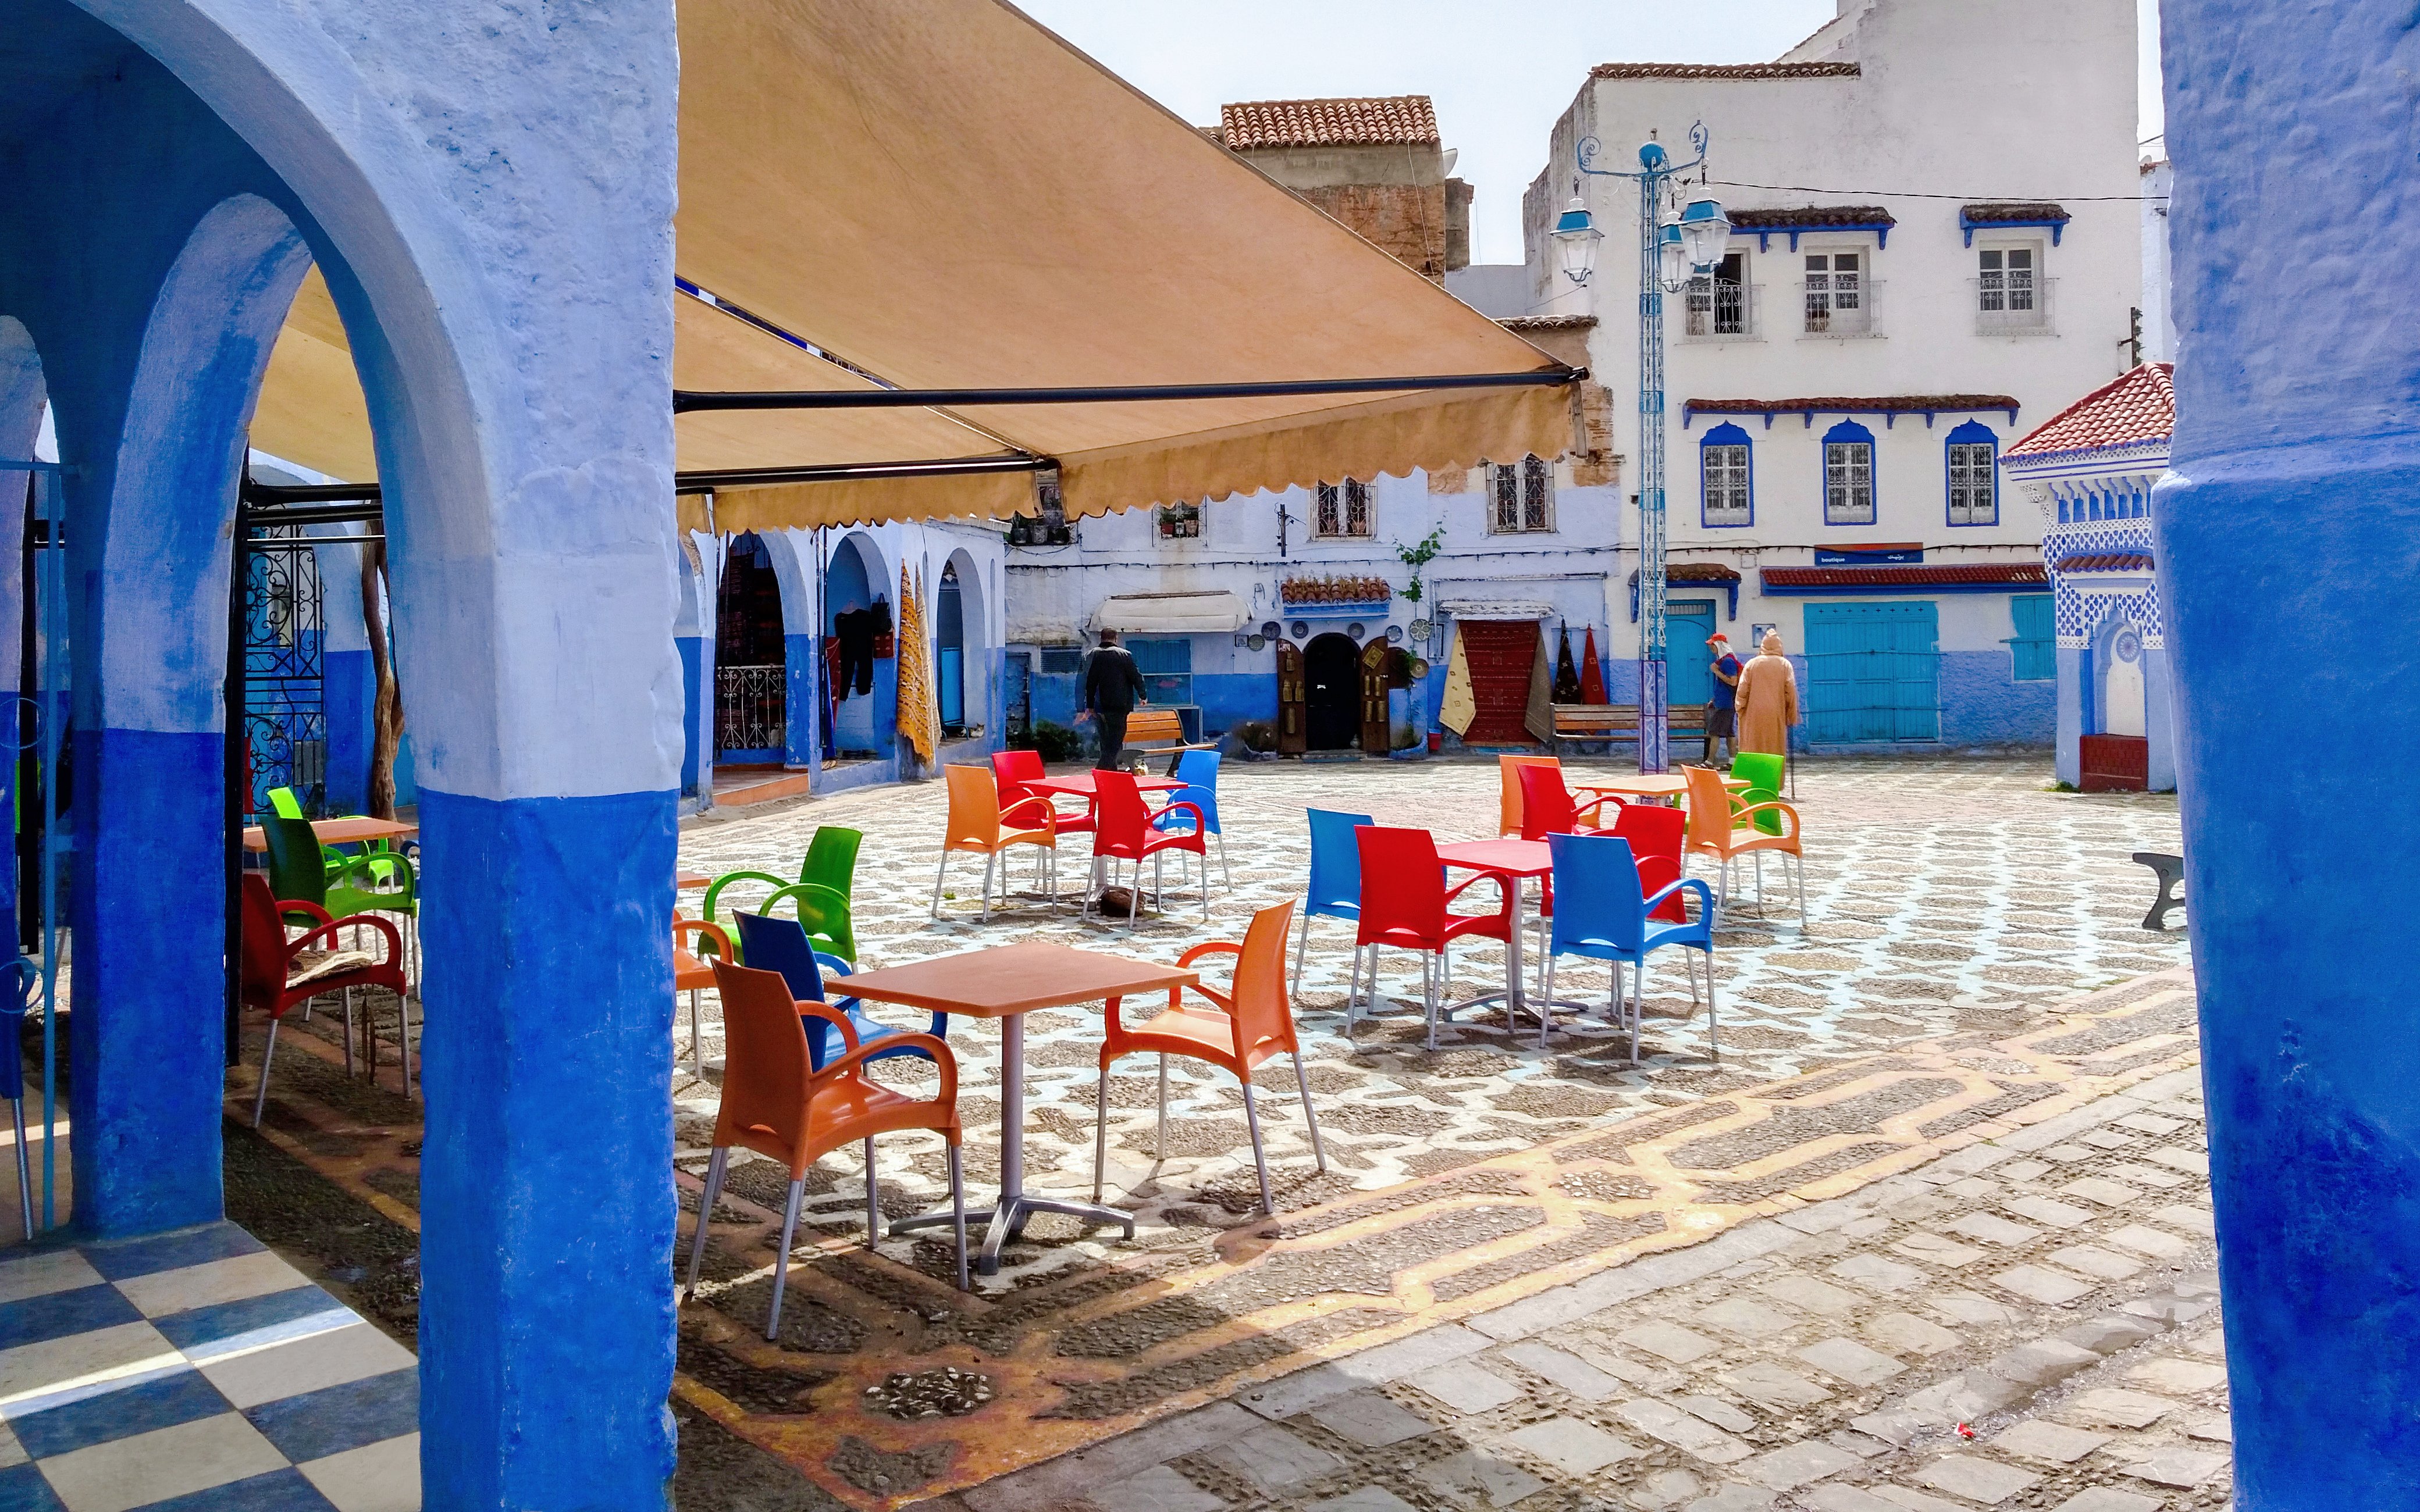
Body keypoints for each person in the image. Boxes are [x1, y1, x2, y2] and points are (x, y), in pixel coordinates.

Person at [1077, 627, 1145, 770]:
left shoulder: (1090, 656)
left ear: (1101, 638)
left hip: (1098, 706)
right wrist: (1142, 695)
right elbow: (1136, 677)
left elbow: (1085, 683)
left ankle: (1110, 772)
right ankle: (1101, 770)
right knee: (1115, 741)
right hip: (1119, 706)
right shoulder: (1124, 655)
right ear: (1116, 638)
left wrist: (1085, 706)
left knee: (1105, 741)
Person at [1733, 630, 1800, 757]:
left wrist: (1740, 710)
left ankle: (1752, 776)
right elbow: (1790, 691)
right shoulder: (1785, 665)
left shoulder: (1751, 664)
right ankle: (1774, 776)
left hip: (1752, 714)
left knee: (1752, 747)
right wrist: (1791, 715)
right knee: (1775, 749)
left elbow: (1742, 690)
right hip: (1776, 714)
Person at [1705, 633, 1743, 765]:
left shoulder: (1727, 661)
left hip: (1725, 703)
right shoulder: (1724, 661)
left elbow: (1733, 681)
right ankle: (1732, 762)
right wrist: (1715, 699)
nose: (1711, 649)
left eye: (1713, 646)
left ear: (1719, 645)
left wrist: (1716, 671)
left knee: (1714, 732)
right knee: (1729, 733)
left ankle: (1710, 762)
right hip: (1723, 702)